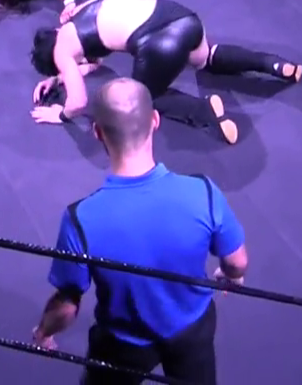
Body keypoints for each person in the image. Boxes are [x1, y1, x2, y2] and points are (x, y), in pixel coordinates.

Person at [32, 78, 247, 385]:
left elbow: (67, 304)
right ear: (155, 120)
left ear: (97, 132)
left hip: (122, 342)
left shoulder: (80, 219)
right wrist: (231, 275)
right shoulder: (203, 191)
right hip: (192, 330)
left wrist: (43, 332)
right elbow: (237, 262)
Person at [29, 0, 302, 144]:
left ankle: (205, 111)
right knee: (206, 58)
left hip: (161, 43)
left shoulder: (62, 52)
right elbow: (95, 57)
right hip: (179, 16)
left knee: (143, 98)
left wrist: (60, 115)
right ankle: (271, 64)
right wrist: (61, 77)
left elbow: (78, 103)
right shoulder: (81, 11)